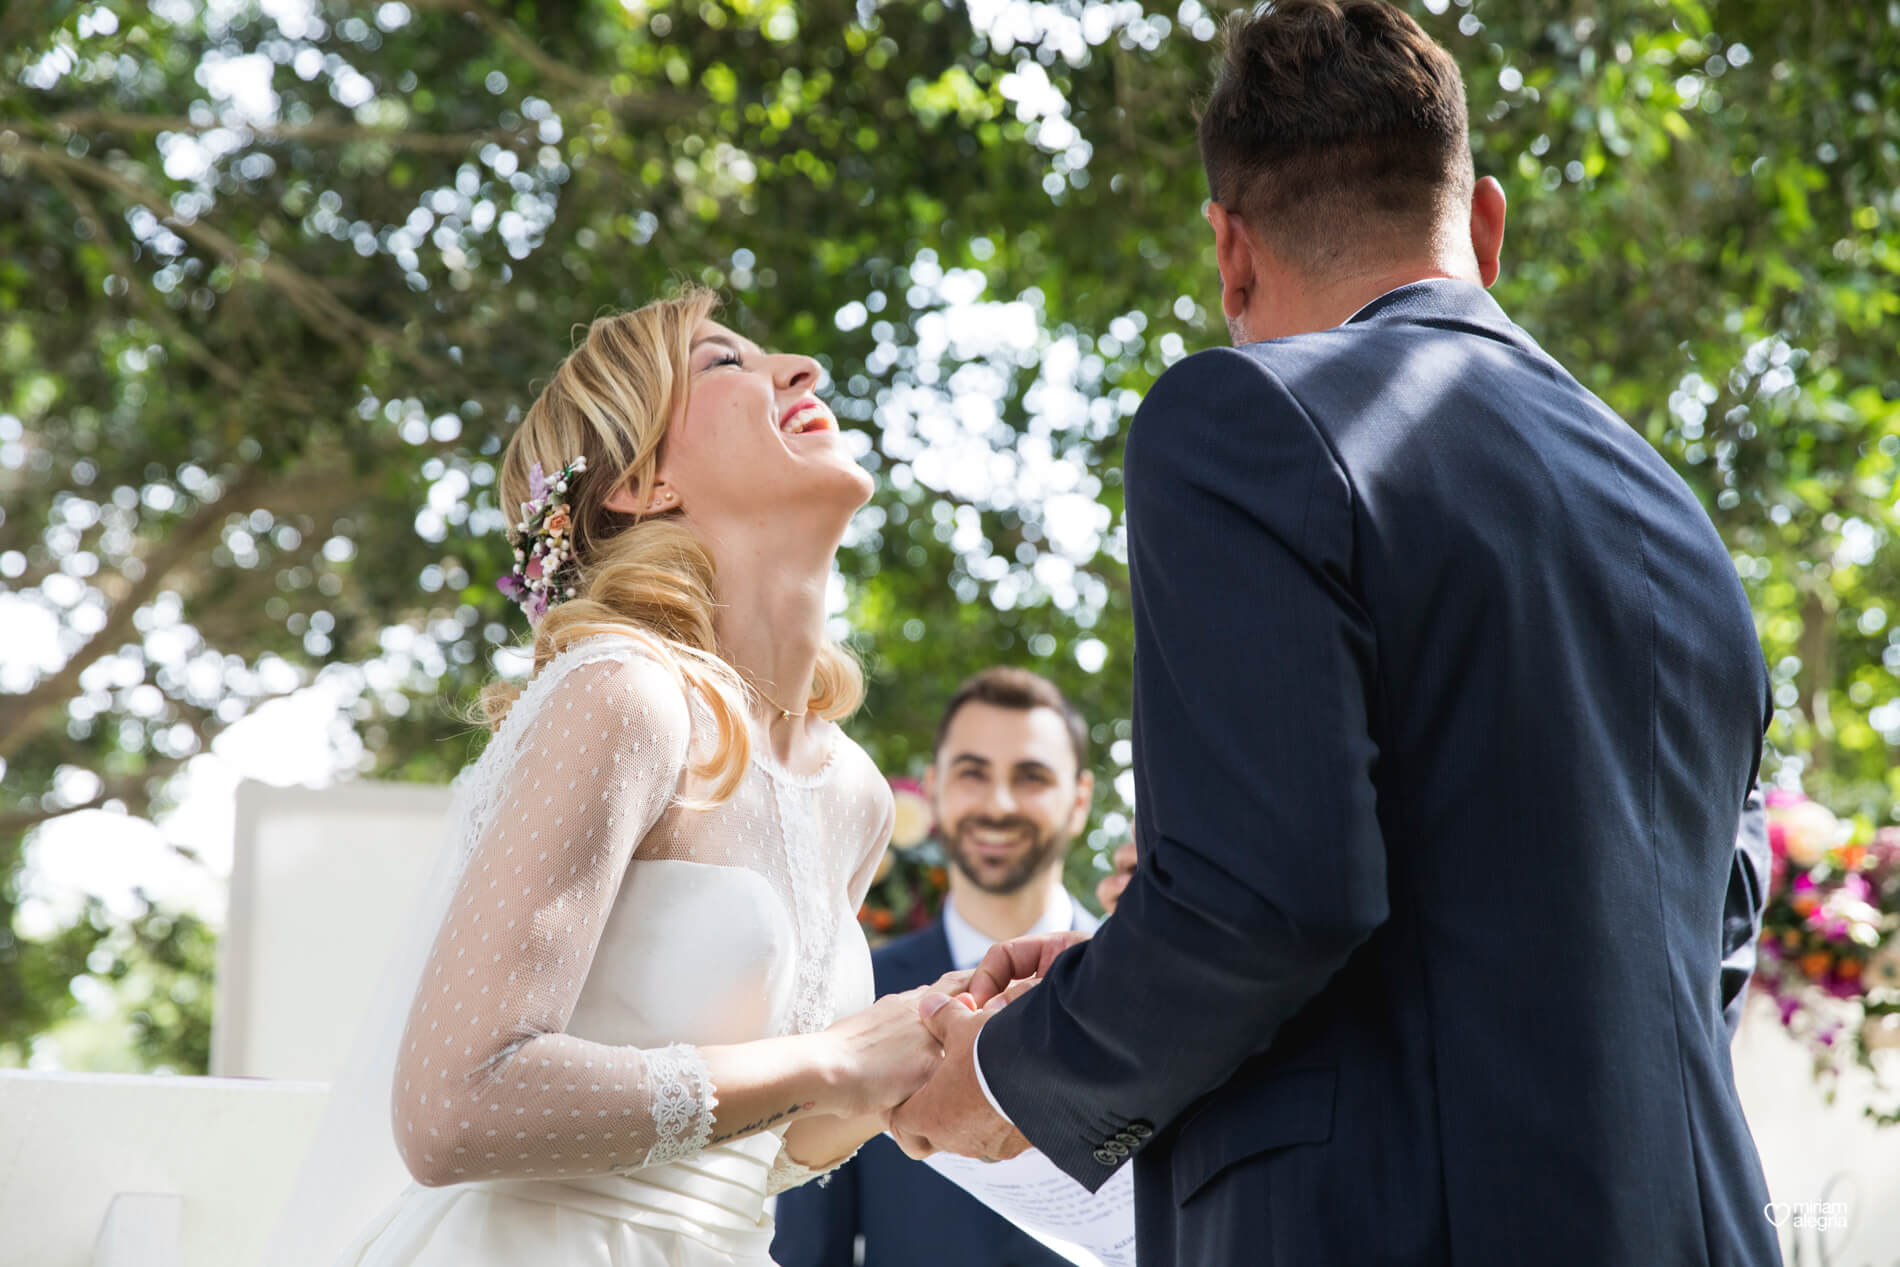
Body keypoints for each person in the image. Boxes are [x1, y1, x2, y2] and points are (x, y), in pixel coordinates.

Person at [889, 4, 1780, 1266]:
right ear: (1483, 222)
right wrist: (1138, 942)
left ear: (1230, 253)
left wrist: (1006, 1075)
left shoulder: (1244, 416)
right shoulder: (1673, 519)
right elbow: (1699, 945)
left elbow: (1271, 899)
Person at [262, 288, 970, 1267]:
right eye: (726, 363)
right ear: (640, 481)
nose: (799, 371)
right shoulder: (623, 697)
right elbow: (454, 1103)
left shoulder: (849, 792)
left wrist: (926, 1038)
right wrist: (830, 1057)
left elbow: (772, 1148)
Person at [773, 667, 1099, 1267]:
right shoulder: (857, 988)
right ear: (935, 788)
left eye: (1031, 777)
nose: (998, 803)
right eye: (973, 773)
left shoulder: (1138, 987)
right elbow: (807, 1240)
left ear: (1079, 801)